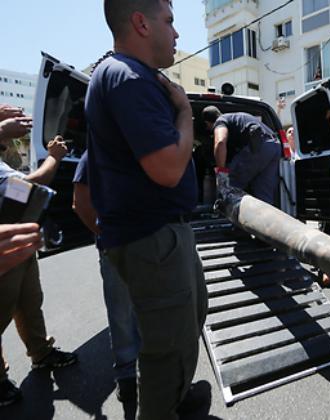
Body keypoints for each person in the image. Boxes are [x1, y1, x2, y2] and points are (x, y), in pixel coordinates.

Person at [85, 1, 208, 419]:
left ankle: (175, 396)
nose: (176, 34)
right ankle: (162, 407)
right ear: (141, 23)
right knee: (166, 349)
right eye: (170, 21)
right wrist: (186, 112)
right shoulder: (125, 78)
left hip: (161, 236)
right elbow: (169, 168)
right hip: (152, 239)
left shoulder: (134, 78)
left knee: (183, 326)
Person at [0, 116, 77, 406]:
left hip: (17, 242)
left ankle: (41, 353)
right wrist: (54, 158)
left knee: (30, 301)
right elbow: (29, 185)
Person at [72, 151, 140, 403]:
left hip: (141, 244)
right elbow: (79, 203)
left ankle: (135, 376)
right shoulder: (93, 155)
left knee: (128, 312)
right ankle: (128, 377)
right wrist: (105, 234)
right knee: (123, 312)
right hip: (122, 245)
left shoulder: (137, 147)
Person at [201, 106, 282, 205]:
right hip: (274, 146)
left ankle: (224, 217)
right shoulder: (237, 117)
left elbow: (220, 142)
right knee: (263, 194)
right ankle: (264, 219)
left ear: (207, 123)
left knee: (230, 185)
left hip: (258, 146)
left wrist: (221, 173)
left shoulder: (220, 121)